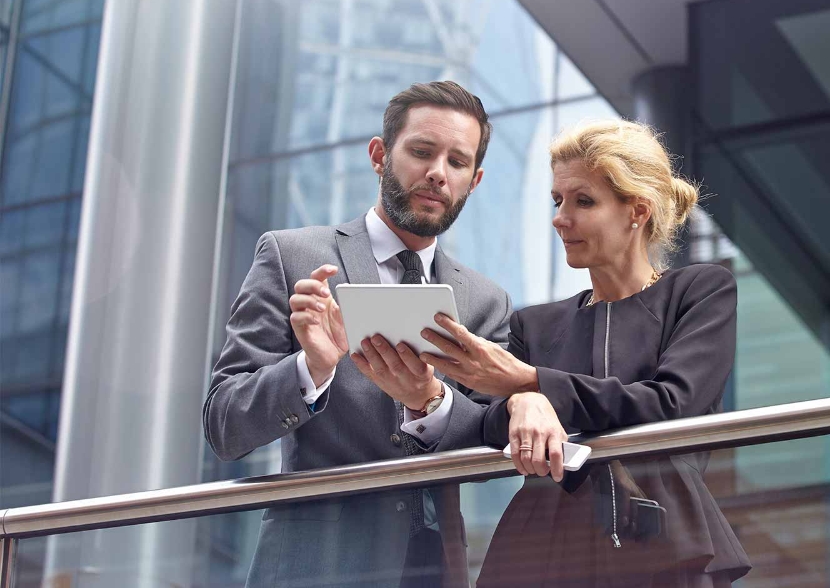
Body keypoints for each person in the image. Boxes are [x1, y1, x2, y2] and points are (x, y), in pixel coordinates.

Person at [415, 119, 752, 586]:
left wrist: (530, 382)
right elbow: (484, 424)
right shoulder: (534, 324)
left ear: (636, 210)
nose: (560, 217)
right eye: (558, 201)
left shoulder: (699, 292)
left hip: (661, 541)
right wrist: (521, 401)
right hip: (544, 544)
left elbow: (673, 404)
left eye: (583, 201)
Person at [203, 81, 512, 587]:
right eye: (421, 151)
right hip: (316, 566)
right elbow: (223, 427)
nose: (438, 173)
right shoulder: (292, 257)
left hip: (435, 571)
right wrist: (312, 368)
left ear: (473, 181)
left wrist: (429, 403)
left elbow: (491, 442)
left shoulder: (485, 302)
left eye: (457, 162)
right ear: (379, 155)